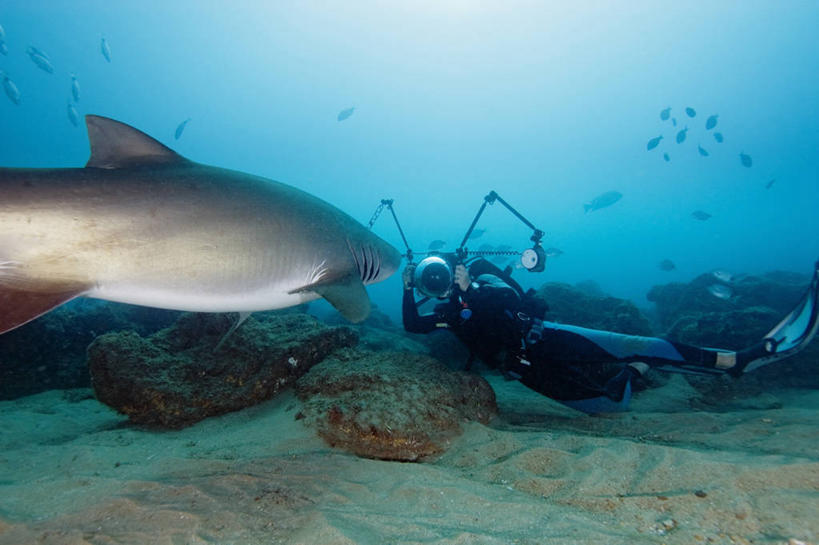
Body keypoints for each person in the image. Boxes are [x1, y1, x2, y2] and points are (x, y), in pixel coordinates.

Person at [402, 256, 819, 414]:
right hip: (524, 370)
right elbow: (412, 326)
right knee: (606, 408)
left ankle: (735, 361)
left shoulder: (482, 286)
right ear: (426, 289)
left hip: (550, 336)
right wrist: (405, 290)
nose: (438, 284)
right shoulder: (446, 316)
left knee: (644, 344)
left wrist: (470, 287)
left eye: (441, 276)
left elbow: (521, 301)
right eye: (428, 283)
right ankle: (633, 374)